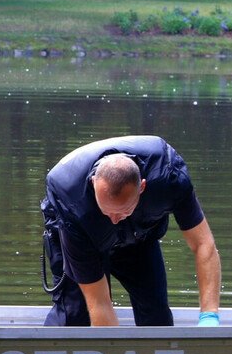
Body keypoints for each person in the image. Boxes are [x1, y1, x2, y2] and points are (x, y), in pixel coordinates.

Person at [41, 134, 221, 327]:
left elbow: (203, 244)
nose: (114, 220)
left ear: (142, 187)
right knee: (76, 316)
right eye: (107, 212)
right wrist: (112, 351)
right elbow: (99, 303)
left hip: (139, 237)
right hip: (84, 234)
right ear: (94, 183)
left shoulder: (168, 177)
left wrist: (209, 317)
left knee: (156, 316)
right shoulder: (70, 198)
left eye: (123, 211)